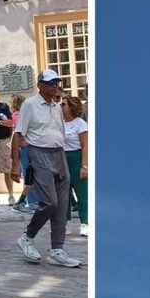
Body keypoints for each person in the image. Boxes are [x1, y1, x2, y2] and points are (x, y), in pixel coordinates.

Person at [10, 71, 80, 268]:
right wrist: (15, 164)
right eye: (50, 83)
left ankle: (57, 249)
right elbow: (18, 134)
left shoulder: (57, 106)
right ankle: (27, 237)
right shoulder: (30, 104)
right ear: (40, 85)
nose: (54, 86)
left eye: (57, 82)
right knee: (50, 202)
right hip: (38, 152)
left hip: (59, 153)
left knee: (63, 204)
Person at [62, 97, 90, 238]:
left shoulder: (80, 124)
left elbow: (85, 146)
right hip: (62, 159)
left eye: (63, 104)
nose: (61, 106)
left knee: (82, 193)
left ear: (71, 107)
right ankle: (64, 223)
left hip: (76, 158)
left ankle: (85, 223)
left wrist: (85, 166)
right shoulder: (59, 123)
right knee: (63, 193)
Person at [9, 94, 36, 214]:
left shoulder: (15, 115)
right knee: (29, 175)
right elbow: (19, 132)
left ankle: (27, 201)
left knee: (29, 175)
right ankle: (29, 202)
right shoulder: (19, 115)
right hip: (26, 147)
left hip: (23, 147)